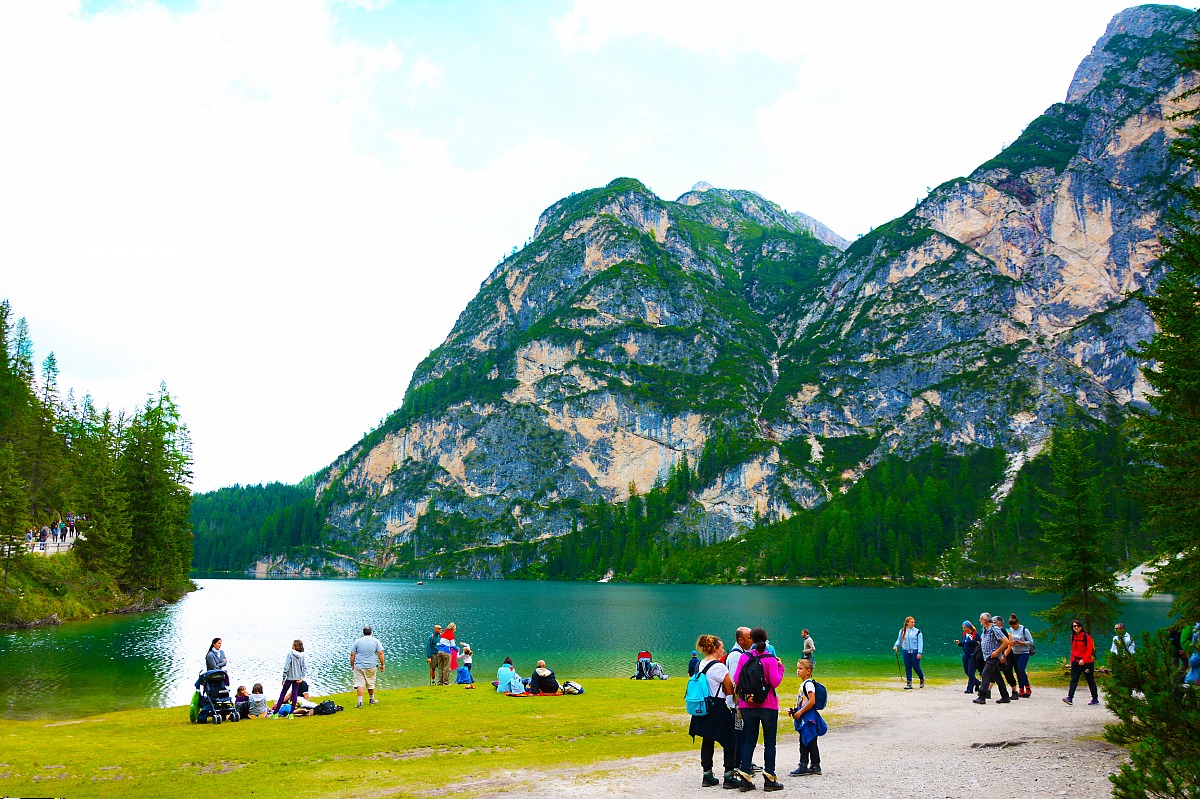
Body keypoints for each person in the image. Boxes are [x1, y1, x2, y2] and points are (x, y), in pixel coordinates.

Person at [731, 627, 784, 792]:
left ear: (752, 640)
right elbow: (775, 682)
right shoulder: (770, 659)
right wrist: (781, 668)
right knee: (770, 742)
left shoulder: (744, 657)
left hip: (748, 704)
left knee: (749, 741)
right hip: (768, 705)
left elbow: (736, 679)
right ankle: (769, 779)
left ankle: (745, 776)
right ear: (766, 640)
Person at [689, 634, 738, 789]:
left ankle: (707, 774)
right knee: (730, 740)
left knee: (707, 739)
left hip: (703, 706)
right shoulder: (719, 667)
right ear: (715, 648)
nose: (723, 650)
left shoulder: (700, 664)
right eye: (722, 647)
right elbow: (730, 690)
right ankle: (729, 776)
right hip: (717, 707)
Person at [725, 627, 757, 774]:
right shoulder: (736, 656)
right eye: (750, 638)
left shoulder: (742, 653)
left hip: (740, 703)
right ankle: (739, 763)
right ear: (741, 640)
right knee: (740, 733)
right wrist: (739, 703)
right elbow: (734, 681)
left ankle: (745, 761)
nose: (752, 640)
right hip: (737, 704)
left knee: (744, 733)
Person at [788, 657, 826, 777]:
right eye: (797, 668)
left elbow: (811, 701)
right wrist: (795, 710)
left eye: (800, 668)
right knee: (806, 740)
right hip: (805, 715)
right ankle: (813, 765)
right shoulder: (804, 684)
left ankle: (807, 765)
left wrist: (801, 711)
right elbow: (802, 701)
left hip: (808, 717)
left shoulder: (809, 684)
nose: (798, 670)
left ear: (808, 671)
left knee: (809, 740)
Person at [973, 613, 1012, 705]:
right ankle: (1005, 696)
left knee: (985, 674)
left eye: (980, 618)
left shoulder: (994, 629)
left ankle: (982, 696)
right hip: (986, 656)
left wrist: (997, 651)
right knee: (997, 677)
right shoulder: (984, 629)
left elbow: (1006, 642)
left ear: (985, 620)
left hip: (993, 657)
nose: (979, 620)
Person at [1063, 619, 1099, 706]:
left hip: (1087, 663)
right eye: (1074, 626)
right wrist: (1071, 660)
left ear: (1081, 627)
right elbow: (1073, 649)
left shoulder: (1087, 637)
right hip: (1076, 662)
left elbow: (1089, 650)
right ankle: (1070, 698)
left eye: (1078, 626)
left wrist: (1084, 659)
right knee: (1074, 680)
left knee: (1090, 680)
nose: (1076, 627)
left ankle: (1095, 698)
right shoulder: (1072, 637)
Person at [350, 625, 385, 708]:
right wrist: (382, 664)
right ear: (371, 632)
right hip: (371, 666)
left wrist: (352, 665)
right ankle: (371, 699)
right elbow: (380, 653)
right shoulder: (376, 641)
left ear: (363, 633)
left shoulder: (357, 641)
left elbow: (352, 654)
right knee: (370, 682)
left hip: (359, 666)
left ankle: (360, 703)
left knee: (359, 684)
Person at [272, 639, 306, 714]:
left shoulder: (290, 654)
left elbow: (286, 667)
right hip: (297, 678)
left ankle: (275, 713)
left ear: (294, 646)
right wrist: (302, 677)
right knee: (294, 694)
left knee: (283, 693)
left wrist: (283, 678)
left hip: (290, 678)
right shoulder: (302, 655)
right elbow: (304, 667)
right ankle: (291, 714)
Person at [893, 616, 925, 689]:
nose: (913, 623)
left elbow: (920, 643)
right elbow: (899, 640)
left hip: (915, 651)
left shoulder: (917, 632)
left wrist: (919, 652)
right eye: (911, 622)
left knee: (916, 667)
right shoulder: (902, 631)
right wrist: (896, 645)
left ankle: (921, 678)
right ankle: (909, 683)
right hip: (905, 651)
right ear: (907, 623)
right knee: (908, 667)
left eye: (914, 622)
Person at [1008, 614, 1034, 697]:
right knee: (1017, 672)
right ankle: (1021, 689)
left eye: (1014, 626)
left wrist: (1021, 643)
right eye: (1011, 626)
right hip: (1015, 653)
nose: (1013, 627)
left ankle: (1028, 688)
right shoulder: (1010, 630)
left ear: (1017, 623)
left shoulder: (1024, 630)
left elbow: (1031, 642)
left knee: (1021, 670)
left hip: (1024, 653)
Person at [955, 621, 980, 694]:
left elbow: (978, 644)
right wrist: (959, 643)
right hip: (965, 655)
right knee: (966, 671)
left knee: (971, 672)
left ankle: (970, 688)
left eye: (965, 628)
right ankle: (977, 682)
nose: (964, 629)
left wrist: (972, 640)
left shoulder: (975, 634)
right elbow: (964, 644)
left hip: (972, 655)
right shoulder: (964, 635)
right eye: (963, 628)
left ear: (969, 627)